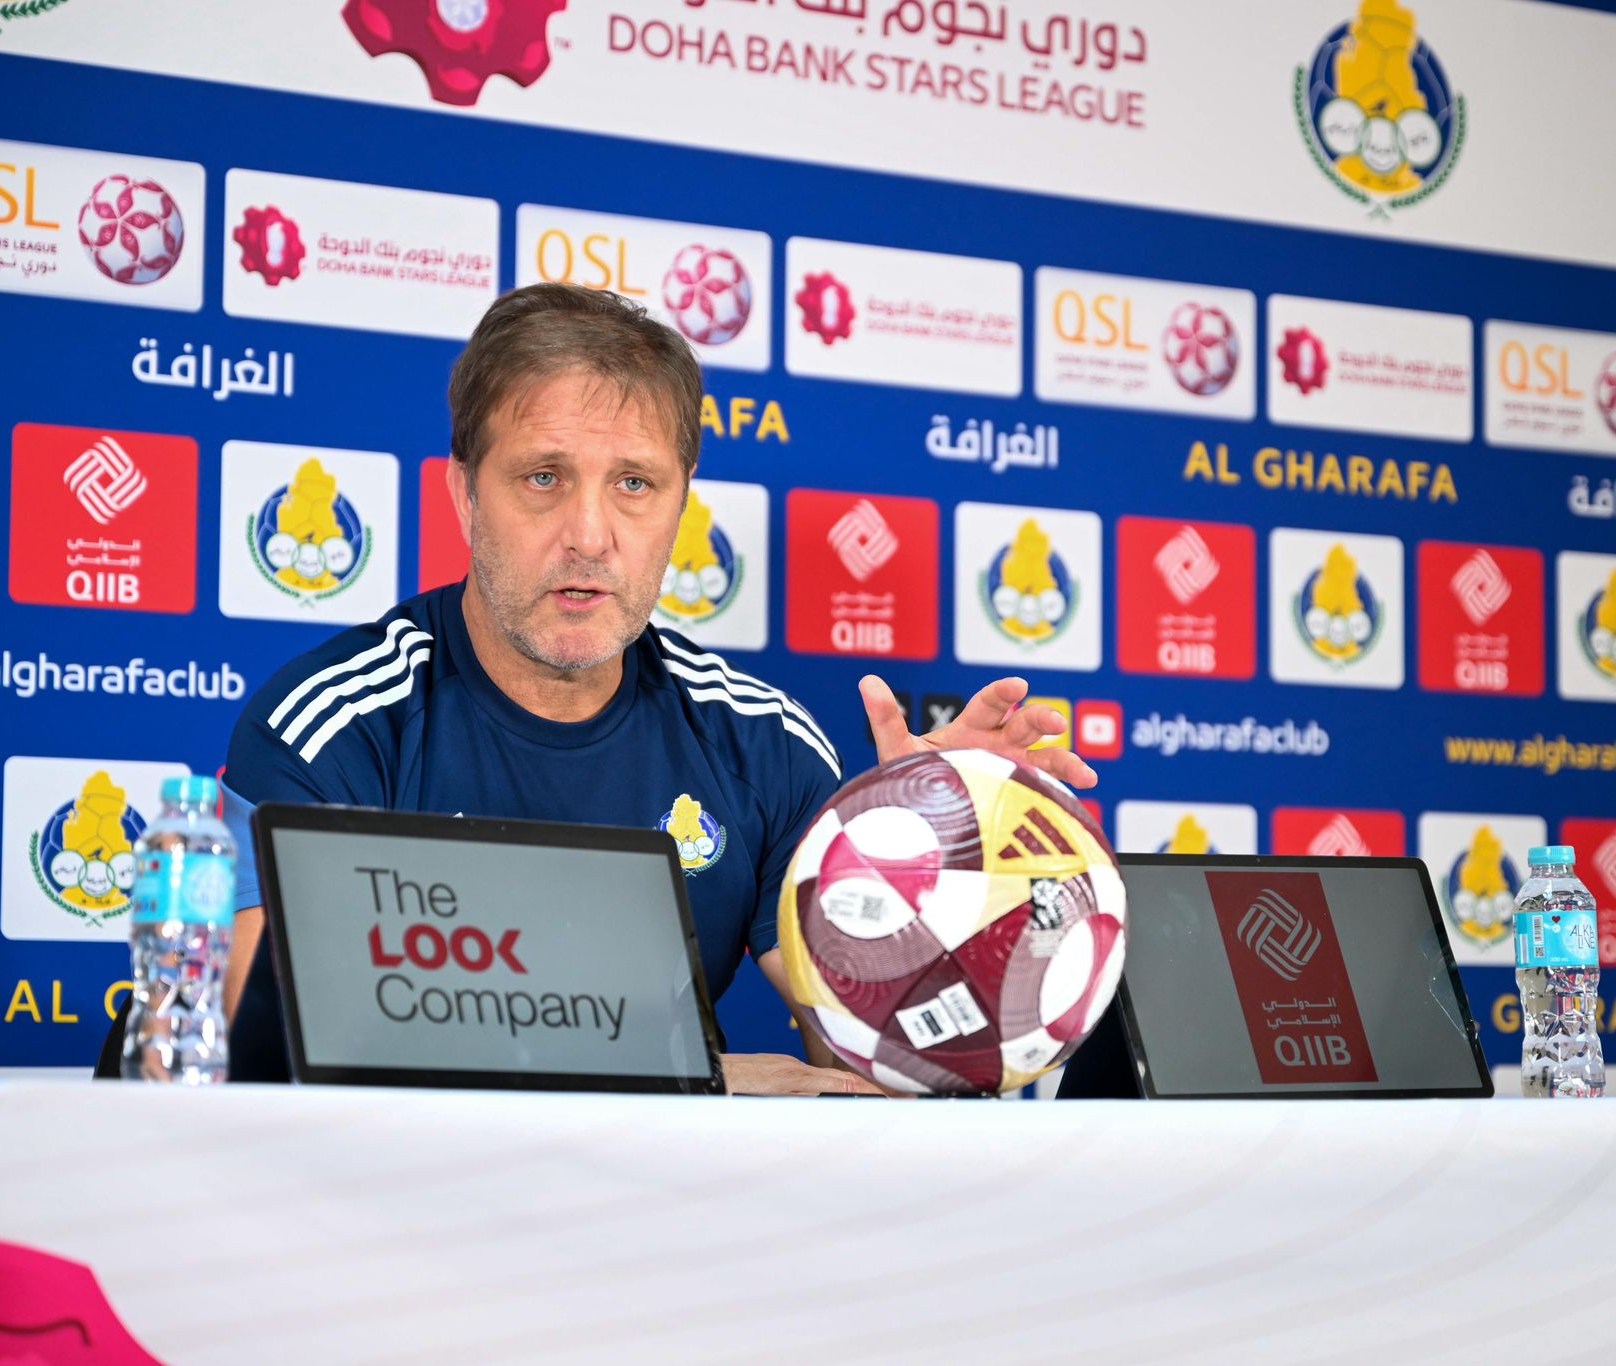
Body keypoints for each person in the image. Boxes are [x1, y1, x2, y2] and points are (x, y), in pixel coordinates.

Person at [220, 282, 1096, 1095]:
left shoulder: (761, 741)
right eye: (543, 478)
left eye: (634, 484)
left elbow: (872, 1067)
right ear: (463, 494)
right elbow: (271, 1061)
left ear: (680, 509)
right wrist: (698, 1082)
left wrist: (917, 871)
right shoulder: (332, 729)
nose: (589, 534)